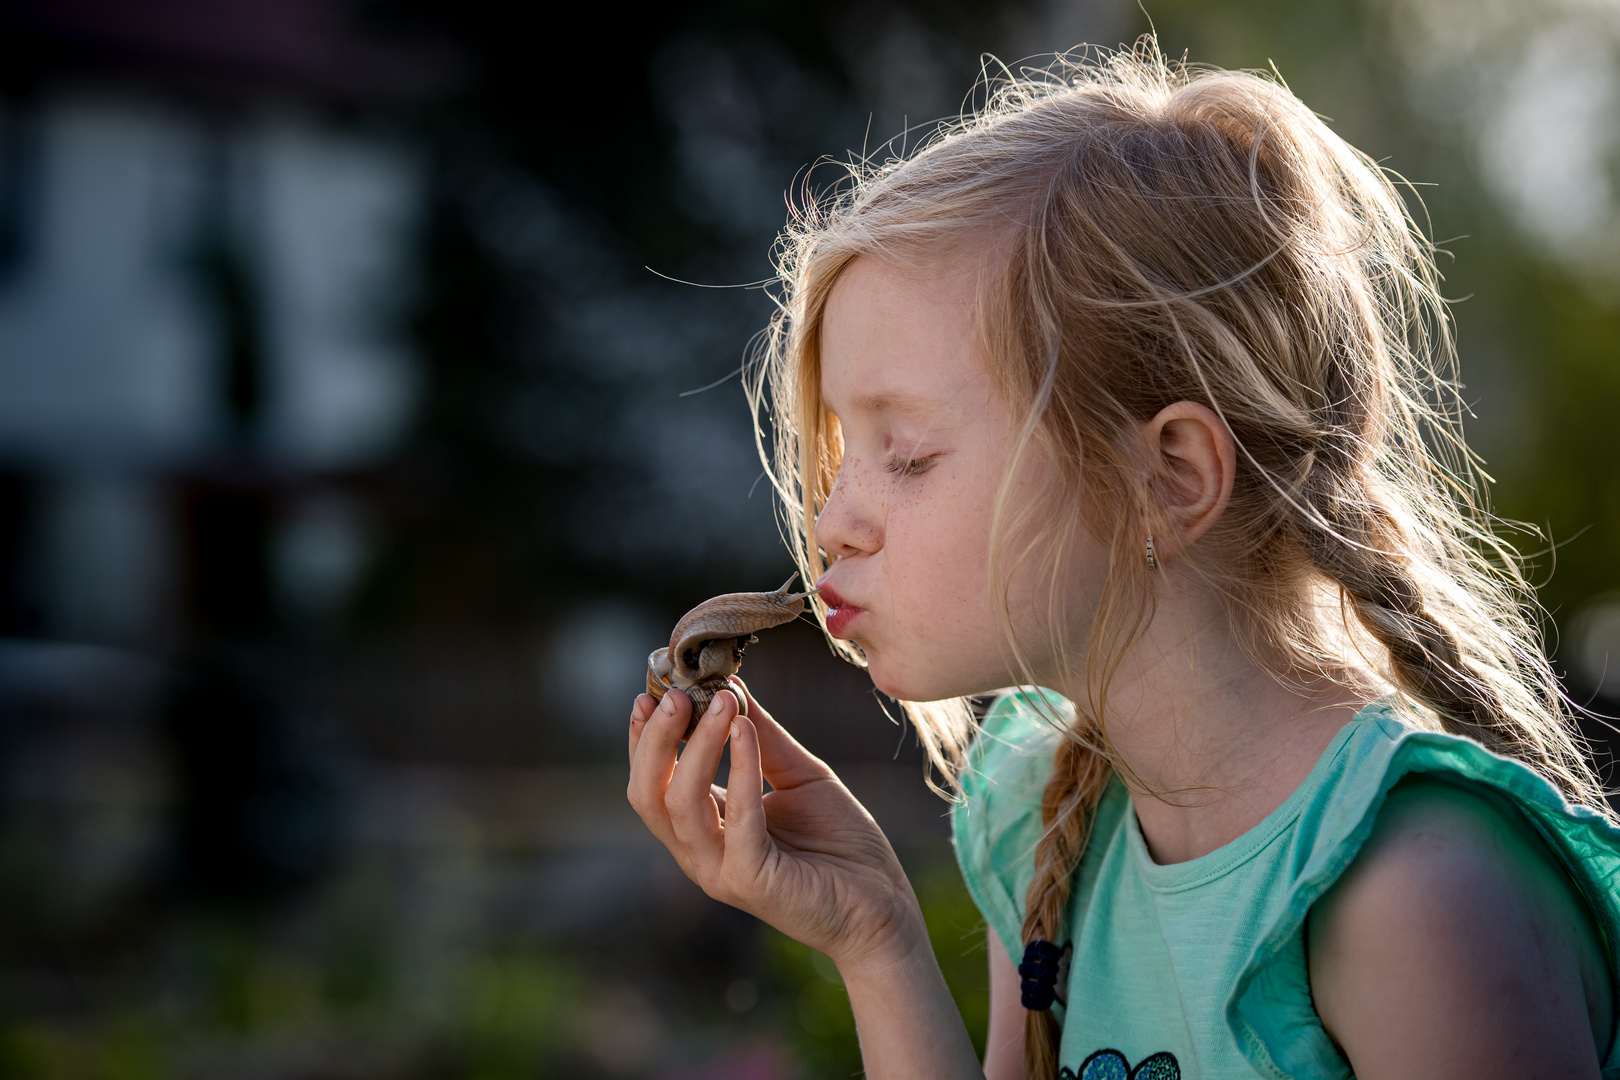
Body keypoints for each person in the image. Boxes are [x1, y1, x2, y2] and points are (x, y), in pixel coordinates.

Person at [626, 40, 1620, 1078]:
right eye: (840, 457)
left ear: (1172, 475)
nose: (834, 522)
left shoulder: (1413, 891)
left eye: (908, 456)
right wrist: (872, 935)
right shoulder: (1051, 816)